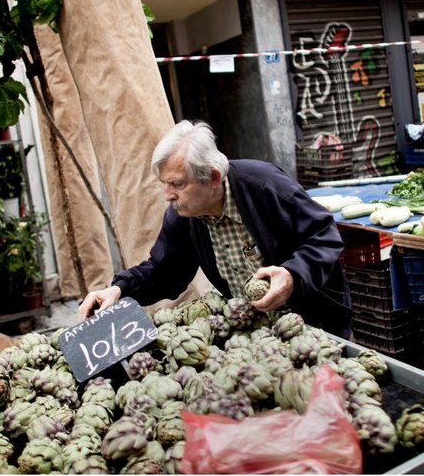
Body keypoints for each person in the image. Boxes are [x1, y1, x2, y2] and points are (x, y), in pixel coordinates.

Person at [78, 120, 352, 338]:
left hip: (316, 326)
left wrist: (292, 275)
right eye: (164, 184)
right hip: (257, 336)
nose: (168, 195)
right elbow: (164, 272)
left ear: (213, 178)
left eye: (178, 184)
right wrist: (119, 290)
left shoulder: (266, 187)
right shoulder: (184, 215)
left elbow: (325, 236)